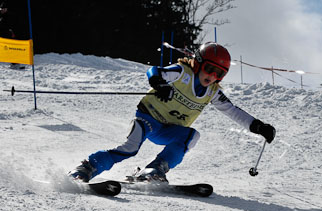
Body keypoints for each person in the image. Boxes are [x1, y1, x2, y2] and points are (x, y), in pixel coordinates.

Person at [70, 42, 276, 182]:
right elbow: (156, 72)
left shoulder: (212, 91)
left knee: (192, 136)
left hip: (169, 130)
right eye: (210, 69)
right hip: (148, 119)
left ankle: (154, 170)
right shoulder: (182, 73)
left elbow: (232, 111)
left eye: (220, 74)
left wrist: (258, 126)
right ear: (197, 62)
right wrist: (159, 83)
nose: (213, 76)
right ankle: (87, 167)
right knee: (130, 148)